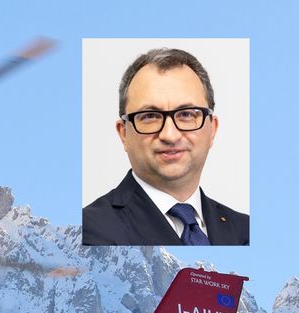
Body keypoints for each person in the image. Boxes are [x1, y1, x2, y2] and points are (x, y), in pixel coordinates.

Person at [82, 48, 249, 246]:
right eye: (150, 116)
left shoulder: (245, 229)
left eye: (187, 114)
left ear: (212, 129)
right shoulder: (87, 232)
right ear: (123, 133)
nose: (170, 135)